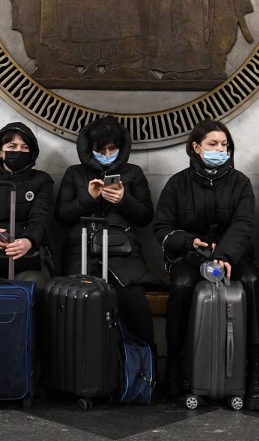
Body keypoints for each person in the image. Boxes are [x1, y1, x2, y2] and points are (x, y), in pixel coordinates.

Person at [153, 119, 259, 410]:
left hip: (233, 257)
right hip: (190, 258)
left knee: (253, 284)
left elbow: (244, 225)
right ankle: (176, 367)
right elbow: (162, 228)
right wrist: (189, 241)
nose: (220, 150)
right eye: (213, 144)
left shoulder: (239, 182)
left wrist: (224, 255)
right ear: (196, 147)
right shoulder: (177, 183)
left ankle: (254, 373)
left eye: (224, 145)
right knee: (181, 286)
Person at [55, 115, 160, 352]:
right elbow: (61, 216)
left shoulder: (133, 173)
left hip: (122, 253)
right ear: (89, 149)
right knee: (77, 299)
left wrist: (124, 200)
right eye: (100, 149)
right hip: (81, 251)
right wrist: (88, 199)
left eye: (112, 148)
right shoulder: (74, 173)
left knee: (134, 301)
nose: (107, 153)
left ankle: (142, 369)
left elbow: (145, 217)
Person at [0, 122, 55, 288]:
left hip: (27, 254)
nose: (18, 151)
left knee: (32, 287)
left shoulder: (42, 180)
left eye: (24, 147)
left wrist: (28, 240)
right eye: (12, 146)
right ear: (0, 152)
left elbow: (41, 218)